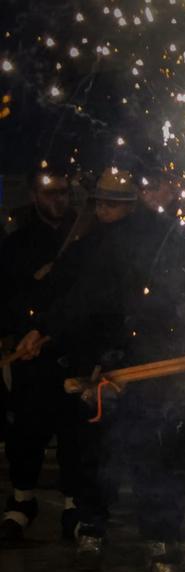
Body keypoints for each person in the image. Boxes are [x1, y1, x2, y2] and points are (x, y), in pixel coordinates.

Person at [13, 166, 185, 572]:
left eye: (115, 204)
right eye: (101, 203)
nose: (106, 211)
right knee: (131, 458)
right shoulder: (95, 247)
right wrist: (46, 331)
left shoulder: (173, 237)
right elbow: (82, 302)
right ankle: (153, 555)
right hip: (127, 365)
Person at [0, 161, 84, 545]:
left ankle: (74, 503)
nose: (59, 199)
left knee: (74, 428)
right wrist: (17, 334)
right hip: (30, 352)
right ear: (35, 195)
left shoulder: (82, 237)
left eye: (64, 192)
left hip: (71, 347)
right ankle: (22, 500)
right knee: (28, 427)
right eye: (51, 192)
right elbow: (8, 295)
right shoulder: (17, 243)